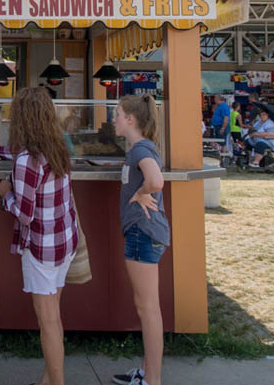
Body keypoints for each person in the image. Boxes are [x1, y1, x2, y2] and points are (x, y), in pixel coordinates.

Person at [0, 87, 78, 385]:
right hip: (64, 241)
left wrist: (6, 195)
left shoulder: (26, 161)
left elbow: (24, 214)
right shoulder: (59, 147)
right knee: (54, 316)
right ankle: (48, 377)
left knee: (48, 321)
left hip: (42, 247)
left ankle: (57, 382)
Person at [111, 95, 169, 385]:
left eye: (118, 114)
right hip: (145, 233)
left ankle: (152, 380)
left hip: (142, 233)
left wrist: (144, 191)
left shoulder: (140, 150)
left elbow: (156, 181)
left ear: (131, 119)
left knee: (148, 309)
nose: (115, 119)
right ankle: (146, 372)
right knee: (146, 306)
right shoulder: (139, 148)